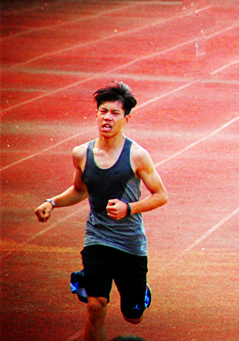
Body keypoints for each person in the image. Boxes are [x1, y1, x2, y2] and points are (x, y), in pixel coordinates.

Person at [34, 82, 168, 341]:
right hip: (97, 238)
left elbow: (161, 195)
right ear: (96, 114)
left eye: (115, 113)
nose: (108, 117)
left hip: (130, 243)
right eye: (103, 111)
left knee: (133, 316)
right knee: (96, 305)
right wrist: (52, 202)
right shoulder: (81, 154)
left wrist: (129, 208)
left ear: (126, 119)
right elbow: (79, 190)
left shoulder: (137, 155)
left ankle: (139, 293)